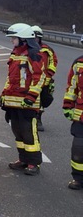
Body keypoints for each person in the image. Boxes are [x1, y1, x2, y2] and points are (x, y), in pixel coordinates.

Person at [0, 23, 45, 176]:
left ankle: (34, 163)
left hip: (27, 102)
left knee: (29, 132)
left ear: (23, 39)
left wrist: (31, 97)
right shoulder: (15, 54)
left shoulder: (34, 55)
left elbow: (39, 78)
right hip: (13, 101)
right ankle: (23, 159)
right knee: (17, 132)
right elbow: (10, 78)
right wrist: (4, 95)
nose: (12, 40)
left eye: (14, 38)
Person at [62, 38, 83, 190]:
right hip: (81, 115)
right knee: (78, 147)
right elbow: (72, 87)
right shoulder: (79, 63)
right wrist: (68, 106)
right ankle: (79, 178)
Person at [32, 25, 57, 132]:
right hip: (31, 81)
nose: (35, 40)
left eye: (36, 37)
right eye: (33, 37)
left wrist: (49, 75)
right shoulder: (28, 49)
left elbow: (53, 62)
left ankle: (38, 120)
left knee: (42, 101)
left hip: (45, 81)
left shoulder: (47, 50)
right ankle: (30, 120)